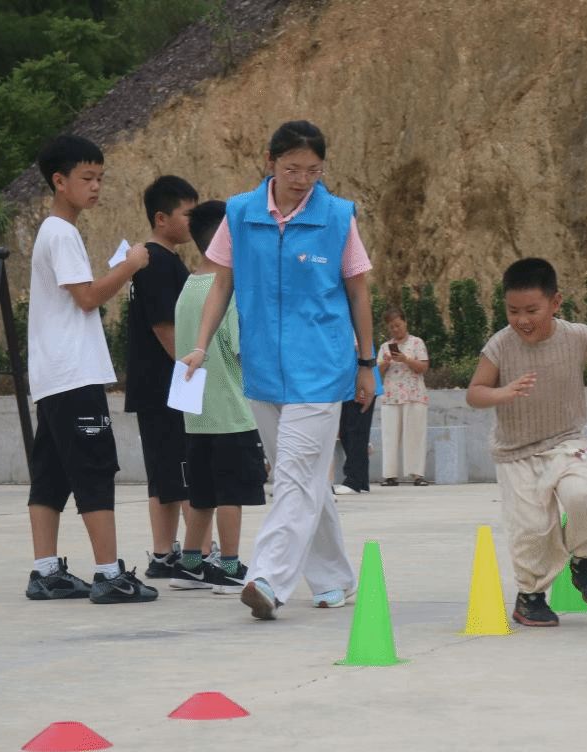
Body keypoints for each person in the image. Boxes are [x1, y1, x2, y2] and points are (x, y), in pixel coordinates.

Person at [181, 120, 373, 620]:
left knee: (291, 475)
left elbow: (358, 291)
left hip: (322, 368)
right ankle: (334, 578)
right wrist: (200, 346)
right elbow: (222, 283)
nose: (302, 179)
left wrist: (367, 363)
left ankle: (267, 577)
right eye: (292, 169)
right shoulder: (241, 214)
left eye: (313, 170)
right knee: (305, 479)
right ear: (270, 163)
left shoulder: (338, 217)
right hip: (263, 369)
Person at [467, 257, 587, 627]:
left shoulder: (574, 336)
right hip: (516, 453)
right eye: (513, 311)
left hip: (566, 442)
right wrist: (501, 393)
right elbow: (475, 392)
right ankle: (530, 596)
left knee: (583, 495)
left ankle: (583, 559)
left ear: (555, 302)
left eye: (532, 310)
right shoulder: (500, 345)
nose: (522, 320)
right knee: (532, 529)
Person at [22, 134, 157, 604]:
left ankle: (45, 572)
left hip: (53, 377)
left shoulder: (52, 231)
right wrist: (131, 264)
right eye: (87, 178)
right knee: (94, 469)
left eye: (100, 177)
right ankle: (109, 574)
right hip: (74, 375)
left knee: (51, 474)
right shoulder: (62, 233)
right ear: (59, 182)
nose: (96, 186)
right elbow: (87, 297)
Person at [167, 199, 265, 593]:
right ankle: (229, 566)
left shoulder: (188, 288)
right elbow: (242, 351)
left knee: (202, 493)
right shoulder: (228, 291)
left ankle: (190, 563)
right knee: (231, 494)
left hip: (196, 412)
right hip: (231, 410)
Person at [125, 175, 201, 578]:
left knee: (166, 473)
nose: (193, 221)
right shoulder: (156, 262)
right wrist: (191, 369)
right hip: (166, 384)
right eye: (187, 214)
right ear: (161, 217)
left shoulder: (160, 259)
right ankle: (196, 556)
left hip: (159, 384)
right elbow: (163, 326)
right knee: (185, 471)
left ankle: (163, 556)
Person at [377, 305, 430, 486]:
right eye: (391, 327)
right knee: (389, 436)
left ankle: (417, 474)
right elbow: (377, 373)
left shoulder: (417, 343)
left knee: (415, 435)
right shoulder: (385, 347)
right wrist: (386, 362)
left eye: (398, 325)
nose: (395, 329)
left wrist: (406, 359)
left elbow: (423, 367)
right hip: (391, 395)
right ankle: (390, 475)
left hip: (414, 394)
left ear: (405, 323)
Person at [333, 338, 382, 495]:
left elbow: (360, 349)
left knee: (356, 432)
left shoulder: (354, 330)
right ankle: (361, 481)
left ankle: (353, 481)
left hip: (360, 385)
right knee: (347, 432)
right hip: (347, 386)